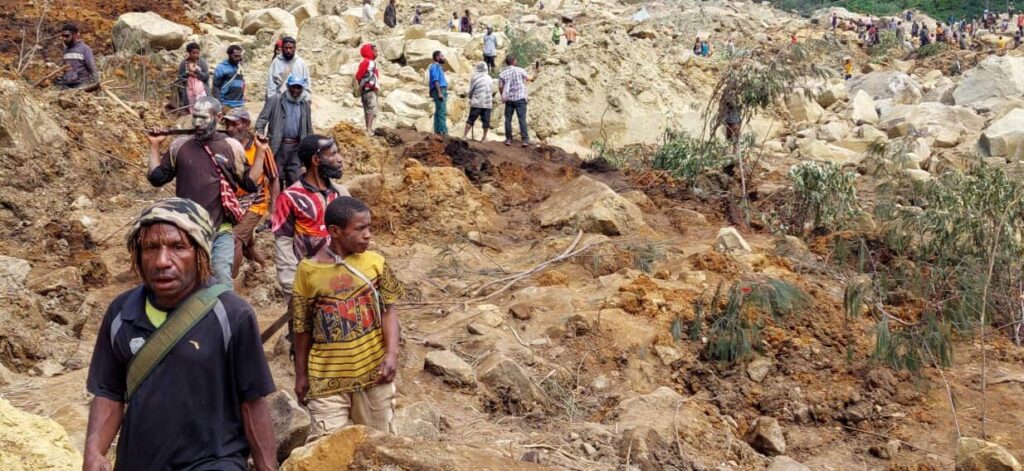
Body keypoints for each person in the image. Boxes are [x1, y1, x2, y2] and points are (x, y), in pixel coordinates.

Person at [83, 198, 277, 471]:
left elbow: (252, 403)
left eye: (178, 247)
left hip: (213, 463)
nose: (162, 261)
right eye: (150, 248)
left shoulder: (232, 315)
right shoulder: (121, 313)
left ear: (200, 253)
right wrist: (94, 452)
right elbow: (109, 392)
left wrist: (267, 468)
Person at [292, 196, 404, 439]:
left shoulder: (376, 263)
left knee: (379, 447)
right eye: (360, 228)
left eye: (369, 227)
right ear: (335, 231)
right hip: (326, 379)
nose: (368, 235)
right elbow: (302, 328)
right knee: (327, 449)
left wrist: (392, 354)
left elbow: (388, 311)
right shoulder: (308, 271)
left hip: (373, 375)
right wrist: (301, 374)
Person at [147, 97, 264, 287]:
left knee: (222, 280)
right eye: (195, 117)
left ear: (218, 117)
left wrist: (260, 152)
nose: (198, 123)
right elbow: (156, 178)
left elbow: (250, 183)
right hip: (187, 231)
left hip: (220, 230)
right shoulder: (179, 146)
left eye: (203, 118)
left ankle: (225, 316)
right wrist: (154, 145)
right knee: (188, 283)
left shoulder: (232, 147)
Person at [271, 134, 350, 341]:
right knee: (303, 339)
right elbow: (284, 243)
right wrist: (291, 288)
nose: (339, 158)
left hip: (340, 280)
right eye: (333, 154)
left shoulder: (341, 194)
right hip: (306, 283)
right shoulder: (290, 198)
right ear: (316, 160)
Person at [223, 109, 279, 278]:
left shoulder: (260, 147)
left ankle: (227, 285)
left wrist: (274, 209)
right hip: (233, 203)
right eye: (227, 124)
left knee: (235, 239)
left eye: (235, 124)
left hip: (256, 202)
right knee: (248, 246)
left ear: (246, 125)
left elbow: (274, 178)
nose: (230, 128)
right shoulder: (225, 145)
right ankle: (265, 269)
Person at [256, 76, 311, 190]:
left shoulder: (304, 105)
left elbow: (309, 128)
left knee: (295, 178)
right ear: (287, 87)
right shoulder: (276, 100)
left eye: (298, 88)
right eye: (293, 87)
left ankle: (291, 204)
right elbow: (262, 119)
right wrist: (259, 135)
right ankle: (277, 205)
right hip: (278, 145)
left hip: (297, 147)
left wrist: (310, 147)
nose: (295, 91)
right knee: (276, 177)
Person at [499, 55, 536, 147]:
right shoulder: (520, 70)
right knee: (522, 119)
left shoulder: (502, 73)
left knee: (508, 119)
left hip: (509, 99)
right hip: (520, 98)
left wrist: (503, 95)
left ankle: (508, 139)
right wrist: (536, 71)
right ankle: (525, 140)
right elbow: (530, 79)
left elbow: (500, 87)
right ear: (514, 61)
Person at [55, 23, 98, 89]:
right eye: (62, 36)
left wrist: (96, 84)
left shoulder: (85, 49)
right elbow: (64, 68)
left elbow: (92, 67)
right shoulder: (66, 50)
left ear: (74, 35)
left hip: (81, 85)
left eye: (66, 36)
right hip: (67, 85)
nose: (64, 38)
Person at [176, 42, 210, 114]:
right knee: (191, 109)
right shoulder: (184, 63)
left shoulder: (202, 62)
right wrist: (187, 74)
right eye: (193, 53)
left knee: (202, 109)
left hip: (201, 90)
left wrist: (197, 72)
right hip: (189, 90)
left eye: (197, 53)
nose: (196, 55)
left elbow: (206, 77)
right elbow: (180, 78)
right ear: (189, 52)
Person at [464, 62, 493, 141]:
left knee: (471, 120)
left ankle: (465, 136)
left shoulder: (475, 77)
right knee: (486, 121)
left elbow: (471, 89)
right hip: (487, 103)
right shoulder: (490, 78)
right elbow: (491, 90)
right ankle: (484, 138)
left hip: (477, 102)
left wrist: (470, 97)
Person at [355, 43, 381, 133]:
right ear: (369, 52)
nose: (377, 53)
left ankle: (368, 128)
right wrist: (365, 84)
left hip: (368, 89)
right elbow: (358, 75)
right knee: (371, 108)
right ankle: (369, 129)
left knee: (368, 109)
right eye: (375, 51)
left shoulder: (371, 63)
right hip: (369, 89)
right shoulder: (367, 62)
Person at [212, 45, 246, 111]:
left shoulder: (240, 67)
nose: (238, 58)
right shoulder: (221, 68)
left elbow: (242, 83)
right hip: (226, 104)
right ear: (229, 55)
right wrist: (219, 103)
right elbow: (216, 87)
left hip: (240, 104)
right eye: (235, 56)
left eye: (239, 56)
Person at [428, 50, 449, 135]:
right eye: (442, 56)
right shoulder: (435, 67)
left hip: (439, 90)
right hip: (439, 90)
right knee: (442, 111)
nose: (444, 58)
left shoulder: (438, 67)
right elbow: (435, 80)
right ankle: (443, 131)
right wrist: (440, 93)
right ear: (437, 57)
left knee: (438, 111)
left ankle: (438, 130)